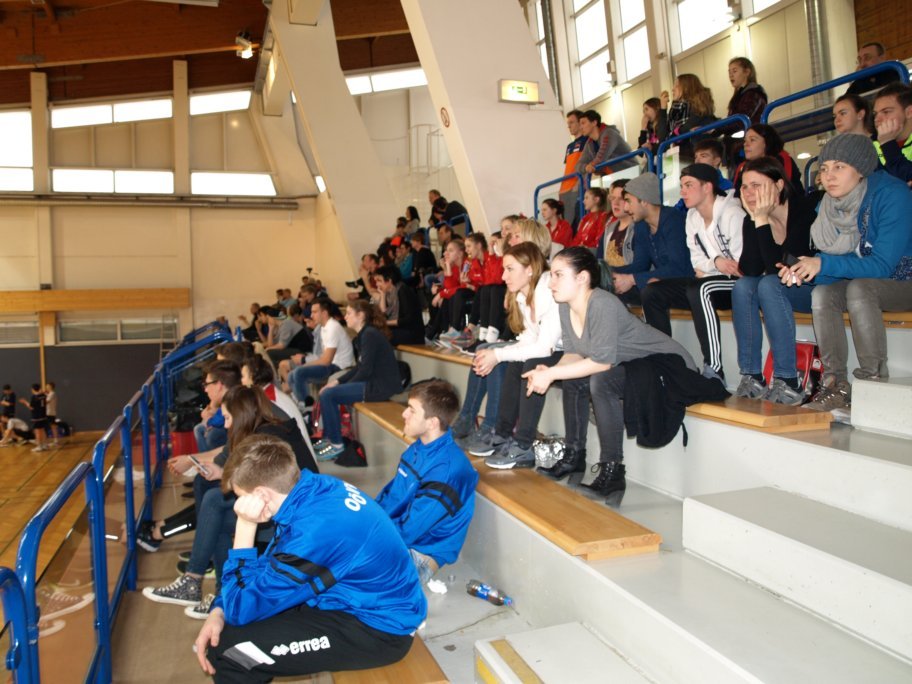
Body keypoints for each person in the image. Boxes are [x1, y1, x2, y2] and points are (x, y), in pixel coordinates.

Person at [193, 434, 425, 682]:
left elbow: (240, 609)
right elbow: (269, 566)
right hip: (352, 600)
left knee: (231, 653)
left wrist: (245, 526)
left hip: (380, 630)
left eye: (241, 497)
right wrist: (218, 610)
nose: (239, 505)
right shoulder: (313, 488)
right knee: (232, 634)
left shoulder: (314, 532)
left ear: (261, 495)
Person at [524, 247, 714, 505]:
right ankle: (574, 455)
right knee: (573, 377)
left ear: (582, 278)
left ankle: (613, 471)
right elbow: (573, 355)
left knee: (601, 380)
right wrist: (548, 371)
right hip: (637, 366)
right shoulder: (565, 307)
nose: (551, 283)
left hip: (670, 366)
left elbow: (601, 363)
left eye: (558, 275)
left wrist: (553, 372)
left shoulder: (602, 303)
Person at [143, 387, 320, 617]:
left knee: (215, 501)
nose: (226, 425)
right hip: (281, 508)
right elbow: (233, 465)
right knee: (214, 512)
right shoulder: (258, 427)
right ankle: (219, 593)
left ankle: (196, 582)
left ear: (242, 415)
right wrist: (217, 470)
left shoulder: (268, 437)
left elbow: (252, 488)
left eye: (228, 418)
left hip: (296, 519)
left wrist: (222, 473)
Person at [781, 134, 912, 411]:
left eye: (839, 167)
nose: (828, 176)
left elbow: (882, 266)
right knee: (822, 293)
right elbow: (848, 262)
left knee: (860, 288)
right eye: (824, 168)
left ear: (861, 168)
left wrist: (823, 264)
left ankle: (872, 380)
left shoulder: (893, 195)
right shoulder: (834, 204)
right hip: (872, 282)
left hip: (904, 278)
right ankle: (835, 384)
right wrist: (806, 271)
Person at [459, 244, 563, 470]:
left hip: (573, 353)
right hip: (553, 350)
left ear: (529, 269)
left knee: (531, 364)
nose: (503, 276)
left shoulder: (548, 289)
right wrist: (496, 353)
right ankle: (502, 434)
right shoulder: (523, 296)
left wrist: (498, 354)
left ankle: (524, 444)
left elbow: (544, 348)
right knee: (515, 362)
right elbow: (529, 338)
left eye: (509, 269)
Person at [637, 164, 744, 380]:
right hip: (708, 281)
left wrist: (710, 267)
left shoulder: (733, 214)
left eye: (688, 185)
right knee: (652, 291)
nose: (682, 192)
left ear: (707, 187)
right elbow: (696, 262)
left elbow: (738, 267)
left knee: (700, 289)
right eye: (681, 186)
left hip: (737, 285)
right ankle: (664, 363)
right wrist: (716, 262)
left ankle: (714, 369)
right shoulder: (692, 217)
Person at [732, 156, 820, 404]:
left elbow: (779, 270)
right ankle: (751, 376)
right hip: (785, 287)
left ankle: (787, 380)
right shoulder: (753, 218)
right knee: (743, 286)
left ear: (779, 185)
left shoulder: (804, 210)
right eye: (744, 187)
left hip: (817, 287)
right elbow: (749, 268)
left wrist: (761, 221)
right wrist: (756, 220)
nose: (749, 193)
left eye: (756, 185)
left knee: (769, 284)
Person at [375, 380, 478, 583]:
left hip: (420, 553)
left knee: (345, 575)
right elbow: (391, 498)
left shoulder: (448, 470)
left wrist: (370, 537)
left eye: (412, 410)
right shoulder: (417, 449)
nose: (404, 414)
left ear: (432, 422)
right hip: (397, 538)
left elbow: (412, 529)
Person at [314, 300, 402, 460]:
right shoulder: (364, 334)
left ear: (360, 315)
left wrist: (341, 388)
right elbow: (359, 367)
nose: (345, 317)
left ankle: (336, 444)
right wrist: (337, 383)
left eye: (349, 313)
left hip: (379, 387)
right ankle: (328, 438)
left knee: (328, 395)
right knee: (329, 391)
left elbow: (365, 370)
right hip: (373, 383)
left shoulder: (369, 335)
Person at [611, 173, 693, 305]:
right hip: (662, 285)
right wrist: (607, 272)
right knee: (615, 291)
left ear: (644, 201)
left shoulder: (674, 220)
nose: (625, 208)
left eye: (628, 201)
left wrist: (632, 279)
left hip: (688, 286)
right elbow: (640, 265)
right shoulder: (641, 225)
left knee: (650, 292)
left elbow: (678, 268)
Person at [731, 124, 804, 194]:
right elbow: (736, 196)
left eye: (752, 140)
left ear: (767, 142)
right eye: (745, 141)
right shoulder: (743, 167)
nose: (745, 144)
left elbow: (785, 193)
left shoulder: (781, 160)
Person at [664, 74, 718, 162]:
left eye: (676, 85)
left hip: (694, 154)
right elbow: (664, 137)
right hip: (679, 156)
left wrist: (676, 133)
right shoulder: (675, 111)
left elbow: (686, 128)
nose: (672, 89)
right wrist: (663, 110)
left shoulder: (699, 107)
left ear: (686, 88)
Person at [724, 57, 768, 164]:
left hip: (745, 143)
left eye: (735, 71)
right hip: (737, 143)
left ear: (747, 72)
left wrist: (716, 129)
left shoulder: (753, 94)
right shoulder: (739, 96)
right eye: (729, 72)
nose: (731, 75)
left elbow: (740, 119)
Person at [427, 238, 471, 341]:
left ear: (460, 254)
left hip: (471, 294)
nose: (446, 253)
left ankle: (438, 332)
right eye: (446, 250)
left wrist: (441, 294)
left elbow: (462, 287)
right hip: (458, 295)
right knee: (444, 298)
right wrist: (447, 268)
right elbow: (450, 288)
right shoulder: (455, 267)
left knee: (448, 297)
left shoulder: (467, 264)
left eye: (450, 250)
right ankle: (441, 331)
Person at [375, 265, 425, 346]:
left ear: (389, 281)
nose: (377, 284)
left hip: (412, 333)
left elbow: (408, 320)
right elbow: (383, 314)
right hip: (400, 330)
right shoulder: (389, 293)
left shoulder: (403, 291)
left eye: (379, 281)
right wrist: (382, 294)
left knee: (378, 336)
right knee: (375, 333)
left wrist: (386, 323)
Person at [873, 82, 912, 183]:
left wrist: (888, 144)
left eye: (886, 112)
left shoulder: (885, 142)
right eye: (875, 114)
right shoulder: (872, 145)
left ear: (909, 112)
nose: (877, 119)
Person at [577, 109, 635, 176]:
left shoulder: (609, 133)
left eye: (583, 123)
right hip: (612, 177)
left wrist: (591, 166)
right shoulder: (589, 143)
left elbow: (601, 158)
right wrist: (586, 167)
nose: (581, 127)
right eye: (580, 124)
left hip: (630, 172)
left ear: (594, 123)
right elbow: (578, 166)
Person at [559, 109, 589, 227]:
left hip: (577, 187)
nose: (569, 126)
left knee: (577, 223)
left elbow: (587, 165)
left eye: (571, 122)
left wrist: (579, 183)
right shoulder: (569, 146)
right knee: (567, 225)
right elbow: (568, 167)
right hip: (565, 190)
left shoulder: (587, 141)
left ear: (580, 123)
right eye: (568, 123)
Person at [597, 179, 635, 268]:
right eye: (613, 198)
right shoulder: (608, 230)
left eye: (621, 199)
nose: (615, 203)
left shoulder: (639, 228)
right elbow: (599, 261)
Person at [19, 384, 48, 452]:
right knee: (42, 430)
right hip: (43, 415)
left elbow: (31, 407)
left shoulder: (34, 397)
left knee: (37, 431)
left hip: (36, 416)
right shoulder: (43, 395)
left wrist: (25, 402)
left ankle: (39, 446)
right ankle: (44, 445)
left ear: (33, 389)